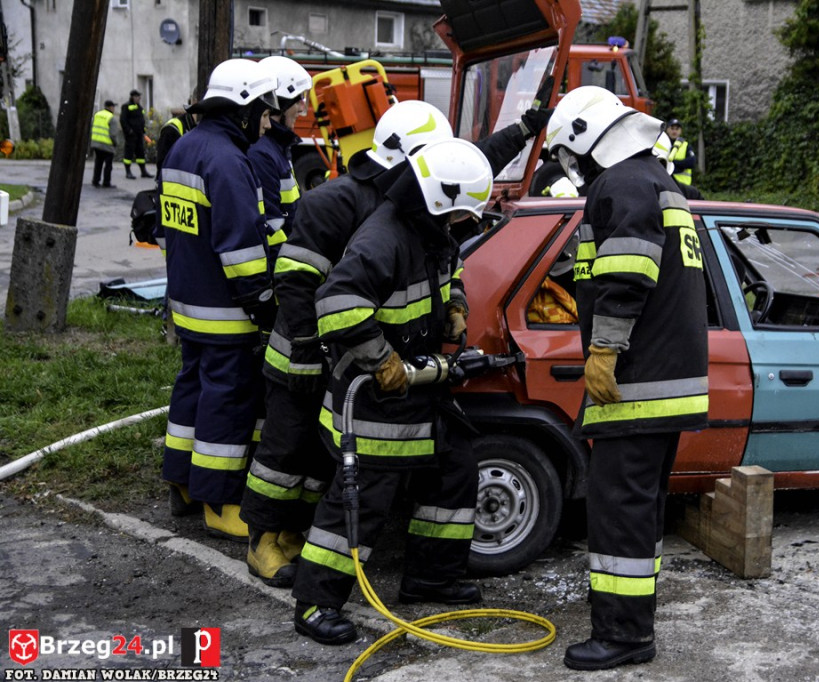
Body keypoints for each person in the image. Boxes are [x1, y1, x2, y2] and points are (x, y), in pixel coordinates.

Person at [239, 98, 547, 589]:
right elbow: (297, 285)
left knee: (327, 462)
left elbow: (450, 248)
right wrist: (314, 351)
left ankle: (302, 535)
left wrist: (454, 306)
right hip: (306, 351)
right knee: (286, 451)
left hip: (355, 356)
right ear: (410, 158)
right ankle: (264, 540)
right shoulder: (335, 202)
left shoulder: (417, 203)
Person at [290, 138, 494, 645]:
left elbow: (450, 274)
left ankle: (432, 578)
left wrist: (455, 307)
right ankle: (315, 603)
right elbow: (335, 302)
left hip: (420, 391)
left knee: (455, 468)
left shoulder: (431, 231)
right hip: (375, 399)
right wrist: (382, 360)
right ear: (440, 200)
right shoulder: (384, 238)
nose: (465, 223)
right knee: (361, 500)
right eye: (463, 213)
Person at [546, 87, 709, 671]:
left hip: (637, 385)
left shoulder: (622, 186)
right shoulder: (659, 182)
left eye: (572, 156)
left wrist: (605, 349)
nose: (576, 171)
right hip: (668, 382)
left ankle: (624, 636)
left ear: (588, 141)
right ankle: (630, 622)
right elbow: (617, 266)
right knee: (639, 509)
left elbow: (628, 275)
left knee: (619, 509)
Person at [159, 58, 280, 541]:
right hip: (226, 312)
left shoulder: (185, 148)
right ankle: (220, 501)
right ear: (243, 110)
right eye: (263, 113)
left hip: (188, 302)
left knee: (192, 389)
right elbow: (241, 249)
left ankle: (182, 482)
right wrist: (265, 303)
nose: (266, 122)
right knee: (227, 405)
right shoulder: (228, 161)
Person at [248, 56, 313, 269]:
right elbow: (271, 228)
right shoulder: (262, 154)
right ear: (280, 105)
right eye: (298, 99)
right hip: (279, 268)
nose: (303, 107)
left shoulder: (278, 147)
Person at [120, 89, 153, 180]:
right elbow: (123, 120)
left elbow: (141, 120)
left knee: (140, 153)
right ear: (132, 97)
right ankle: (128, 172)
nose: (139, 98)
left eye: (139, 97)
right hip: (131, 135)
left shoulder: (139, 107)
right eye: (137, 96)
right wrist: (129, 131)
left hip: (139, 134)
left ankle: (143, 171)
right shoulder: (126, 106)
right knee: (129, 153)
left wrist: (143, 131)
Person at [90, 100, 119, 189]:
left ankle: (95, 181)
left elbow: (92, 127)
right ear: (110, 107)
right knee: (108, 166)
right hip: (107, 145)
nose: (114, 108)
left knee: (98, 163)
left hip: (96, 144)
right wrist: (116, 144)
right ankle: (106, 182)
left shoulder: (97, 114)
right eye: (113, 107)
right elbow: (113, 134)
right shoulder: (112, 118)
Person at [665, 117, 697, 192]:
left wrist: (672, 163)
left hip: (683, 187)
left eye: (677, 129)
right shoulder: (662, 144)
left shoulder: (685, 145)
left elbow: (691, 162)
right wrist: (680, 166)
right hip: (666, 185)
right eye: (672, 128)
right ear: (667, 130)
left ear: (680, 131)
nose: (674, 131)